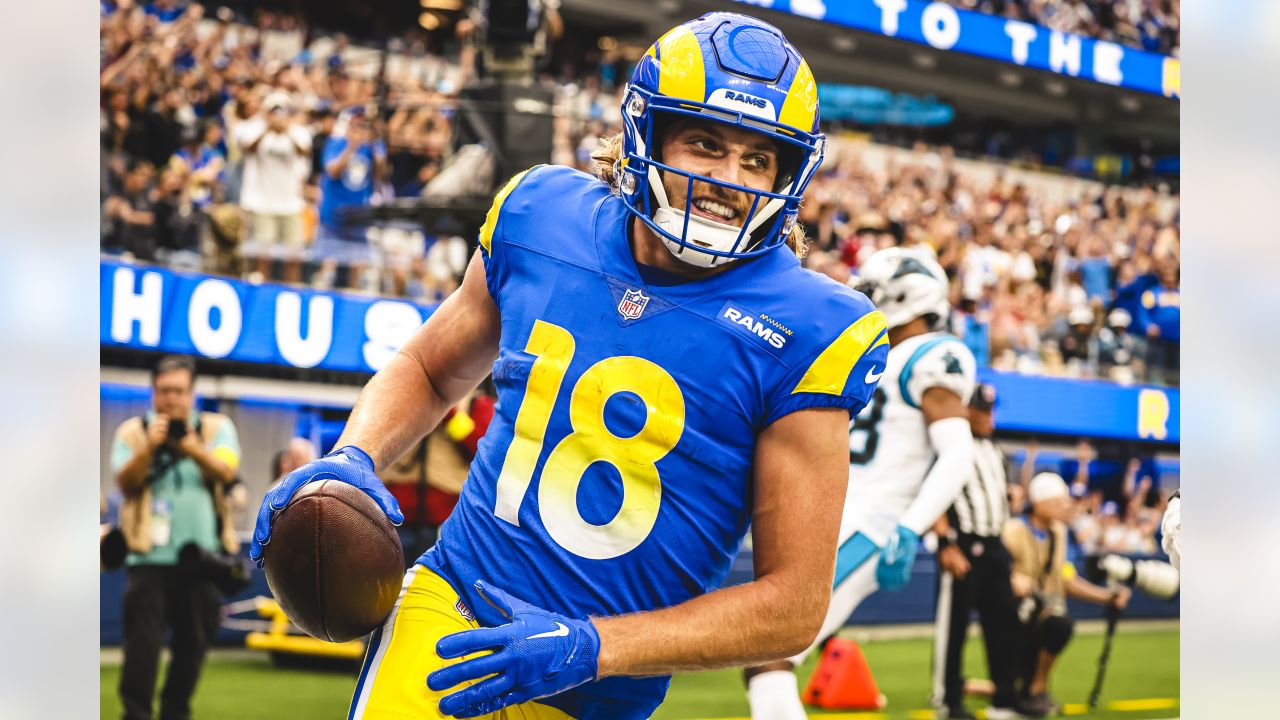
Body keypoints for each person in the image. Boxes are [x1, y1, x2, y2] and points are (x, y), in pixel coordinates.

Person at [250, 13, 886, 719]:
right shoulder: (541, 215)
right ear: (648, 131)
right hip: (455, 610)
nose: (728, 180)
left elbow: (793, 607)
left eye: (758, 158)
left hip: (601, 686)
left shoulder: (810, 327)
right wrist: (352, 457)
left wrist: (591, 646)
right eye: (706, 143)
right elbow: (433, 370)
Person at [745, 246, 977, 720]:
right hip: (847, 517)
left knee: (769, 651)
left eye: (871, 290)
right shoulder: (880, 356)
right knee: (771, 650)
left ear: (904, 293)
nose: (863, 298)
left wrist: (909, 528)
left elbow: (958, 453)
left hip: (873, 523)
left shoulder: (936, 353)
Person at [110, 355, 242, 720]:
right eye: (164, 391)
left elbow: (227, 471)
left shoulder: (218, 429)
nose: (171, 399)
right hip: (147, 559)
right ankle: (135, 714)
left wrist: (190, 446)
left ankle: (175, 713)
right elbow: (124, 483)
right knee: (141, 651)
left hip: (202, 560)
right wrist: (149, 448)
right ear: (153, 392)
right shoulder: (131, 432)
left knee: (192, 649)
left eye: (179, 391)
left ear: (192, 393)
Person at [929, 384, 1032, 719]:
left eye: (991, 410)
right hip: (964, 546)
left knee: (1005, 623)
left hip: (994, 546)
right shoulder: (953, 446)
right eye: (982, 410)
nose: (989, 416)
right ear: (966, 410)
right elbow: (936, 497)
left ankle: (1005, 696)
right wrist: (945, 545)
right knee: (954, 628)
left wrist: (1010, 495)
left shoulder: (994, 448)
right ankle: (948, 699)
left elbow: (993, 493)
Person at [1004, 473, 1131, 717]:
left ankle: (1034, 689)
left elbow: (1067, 579)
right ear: (1039, 503)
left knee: (1058, 626)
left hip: (1046, 613)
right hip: (1015, 613)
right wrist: (1012, 579)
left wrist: (1106, 596)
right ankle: (1028, 690)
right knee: (1011, 682)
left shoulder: (1059, 533)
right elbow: (997, 571)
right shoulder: (1013, 530)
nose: (1065, 507)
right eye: (1057, 502)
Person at [236, 92, 312, 283]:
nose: (278, 116)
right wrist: (268, 129)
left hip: (291, 202)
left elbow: (304, 151)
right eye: (274, 111)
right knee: (263, 252)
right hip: (263, 202)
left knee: (294, 253)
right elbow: (247, 149)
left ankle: (292, 288)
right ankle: (261, 289)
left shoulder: (298, 132)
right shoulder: (254, 128)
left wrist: (286, 130)